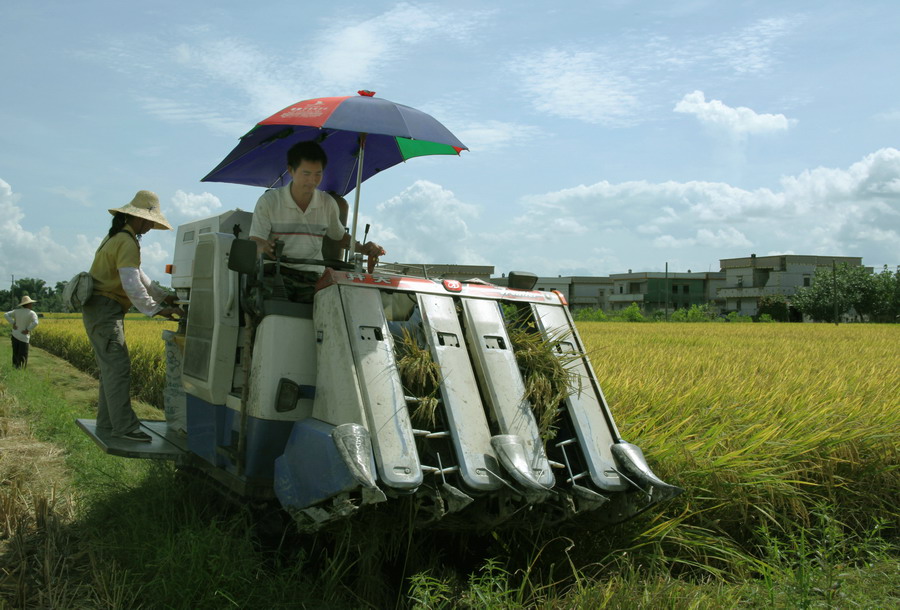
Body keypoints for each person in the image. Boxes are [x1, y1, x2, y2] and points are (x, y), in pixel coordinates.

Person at [82, 190, 185, 443]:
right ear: (139, 218)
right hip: (105, 309)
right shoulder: (126, 242)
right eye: (150, 221)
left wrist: (164, 296)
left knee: (111, 370)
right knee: (118, 369)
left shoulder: (117, 238)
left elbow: (139, 276)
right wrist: (157, 309)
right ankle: (125, 427)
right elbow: (131, 284)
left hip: (102, 309)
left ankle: (108, 424)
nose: (150, 226)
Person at [249, 140, 385, 301]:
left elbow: (339, 236)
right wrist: (264, 247)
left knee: (334, 310)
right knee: (271, 308)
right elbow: (256, 240)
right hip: (276, 271)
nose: (312, 180)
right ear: (291, 170)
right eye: (306, 174)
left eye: (318, 174)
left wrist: (364, 249)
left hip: (313, 275)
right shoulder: (269, 201)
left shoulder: (327, 203)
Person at [4, 296, 39, 369]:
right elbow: (35, 322)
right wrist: (28, 329)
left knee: (15, 354)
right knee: (23, 355)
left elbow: (6, 315)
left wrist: (13, 322)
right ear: (28, 304)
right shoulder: (32, 313)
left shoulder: (16, 311)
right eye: (31, 304)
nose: (31, 305)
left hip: (15, 335)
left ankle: (14, 368)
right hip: (24, 337)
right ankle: (20, 369)